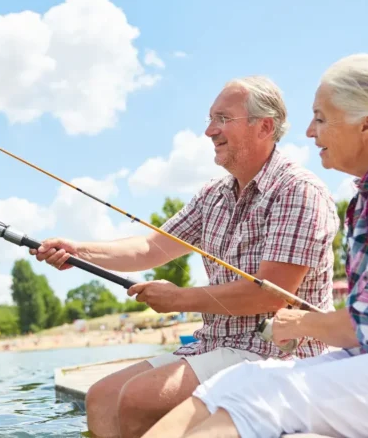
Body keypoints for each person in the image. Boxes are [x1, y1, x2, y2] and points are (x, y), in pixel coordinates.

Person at [141, 53, 368, 438]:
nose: (310, 133)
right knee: (230, 384)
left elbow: (365, 325)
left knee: (261, 399)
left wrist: (300, 323)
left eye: (321, 118)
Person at [30, 76, 340, 438]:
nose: (210, 131)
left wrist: (178, 298)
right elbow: (150, 248)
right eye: (210, 119)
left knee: (139, 398)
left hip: (281, 354)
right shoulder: (213, 193)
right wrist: (79, 250)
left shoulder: (298, 190)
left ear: (264, 127)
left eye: (223, 118)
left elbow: (270, 295)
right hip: (217, 344)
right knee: (101, 396)